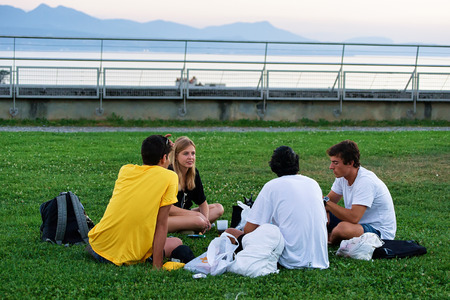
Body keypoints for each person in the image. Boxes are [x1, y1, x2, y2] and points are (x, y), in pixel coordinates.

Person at [87, 134, 187, 269]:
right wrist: (157, 265)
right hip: (124, 257)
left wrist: (158, 144)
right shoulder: (169, 177)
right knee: (176, 242)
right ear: (164, 158)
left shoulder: (125, 170)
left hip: (96, 247)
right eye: (168, 157)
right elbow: (162, 224)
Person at [227, 146, 329, 269]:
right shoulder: (313, 183)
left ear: (273, 166)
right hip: (320, 259)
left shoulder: (272, 186)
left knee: (230, 233)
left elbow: (249, 230)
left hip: (289, 259)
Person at [324, 140, 396, 245]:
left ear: (350, 163)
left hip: (378, 232)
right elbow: (328, 202)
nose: (331, 167)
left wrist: (327, 203)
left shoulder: (365, 181)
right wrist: (325, 208)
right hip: (357, 224)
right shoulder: (342, 177)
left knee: (342, 229)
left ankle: (330, 240)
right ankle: (328, 235)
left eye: (335, 163)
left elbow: (353, 217)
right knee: (318, 211)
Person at [168, 136, 224, 234]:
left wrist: (205, 220)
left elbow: (202, 203)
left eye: (193, 153)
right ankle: (190, 227)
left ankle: (191, 227)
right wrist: (195, 216)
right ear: (176, 156)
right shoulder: (169, 173)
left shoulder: (193, 173)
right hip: (167, 218)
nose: (191, 157)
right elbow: (168, 209)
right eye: (186, 153)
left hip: (185, 215)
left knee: (218, 208)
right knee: (197, 220)